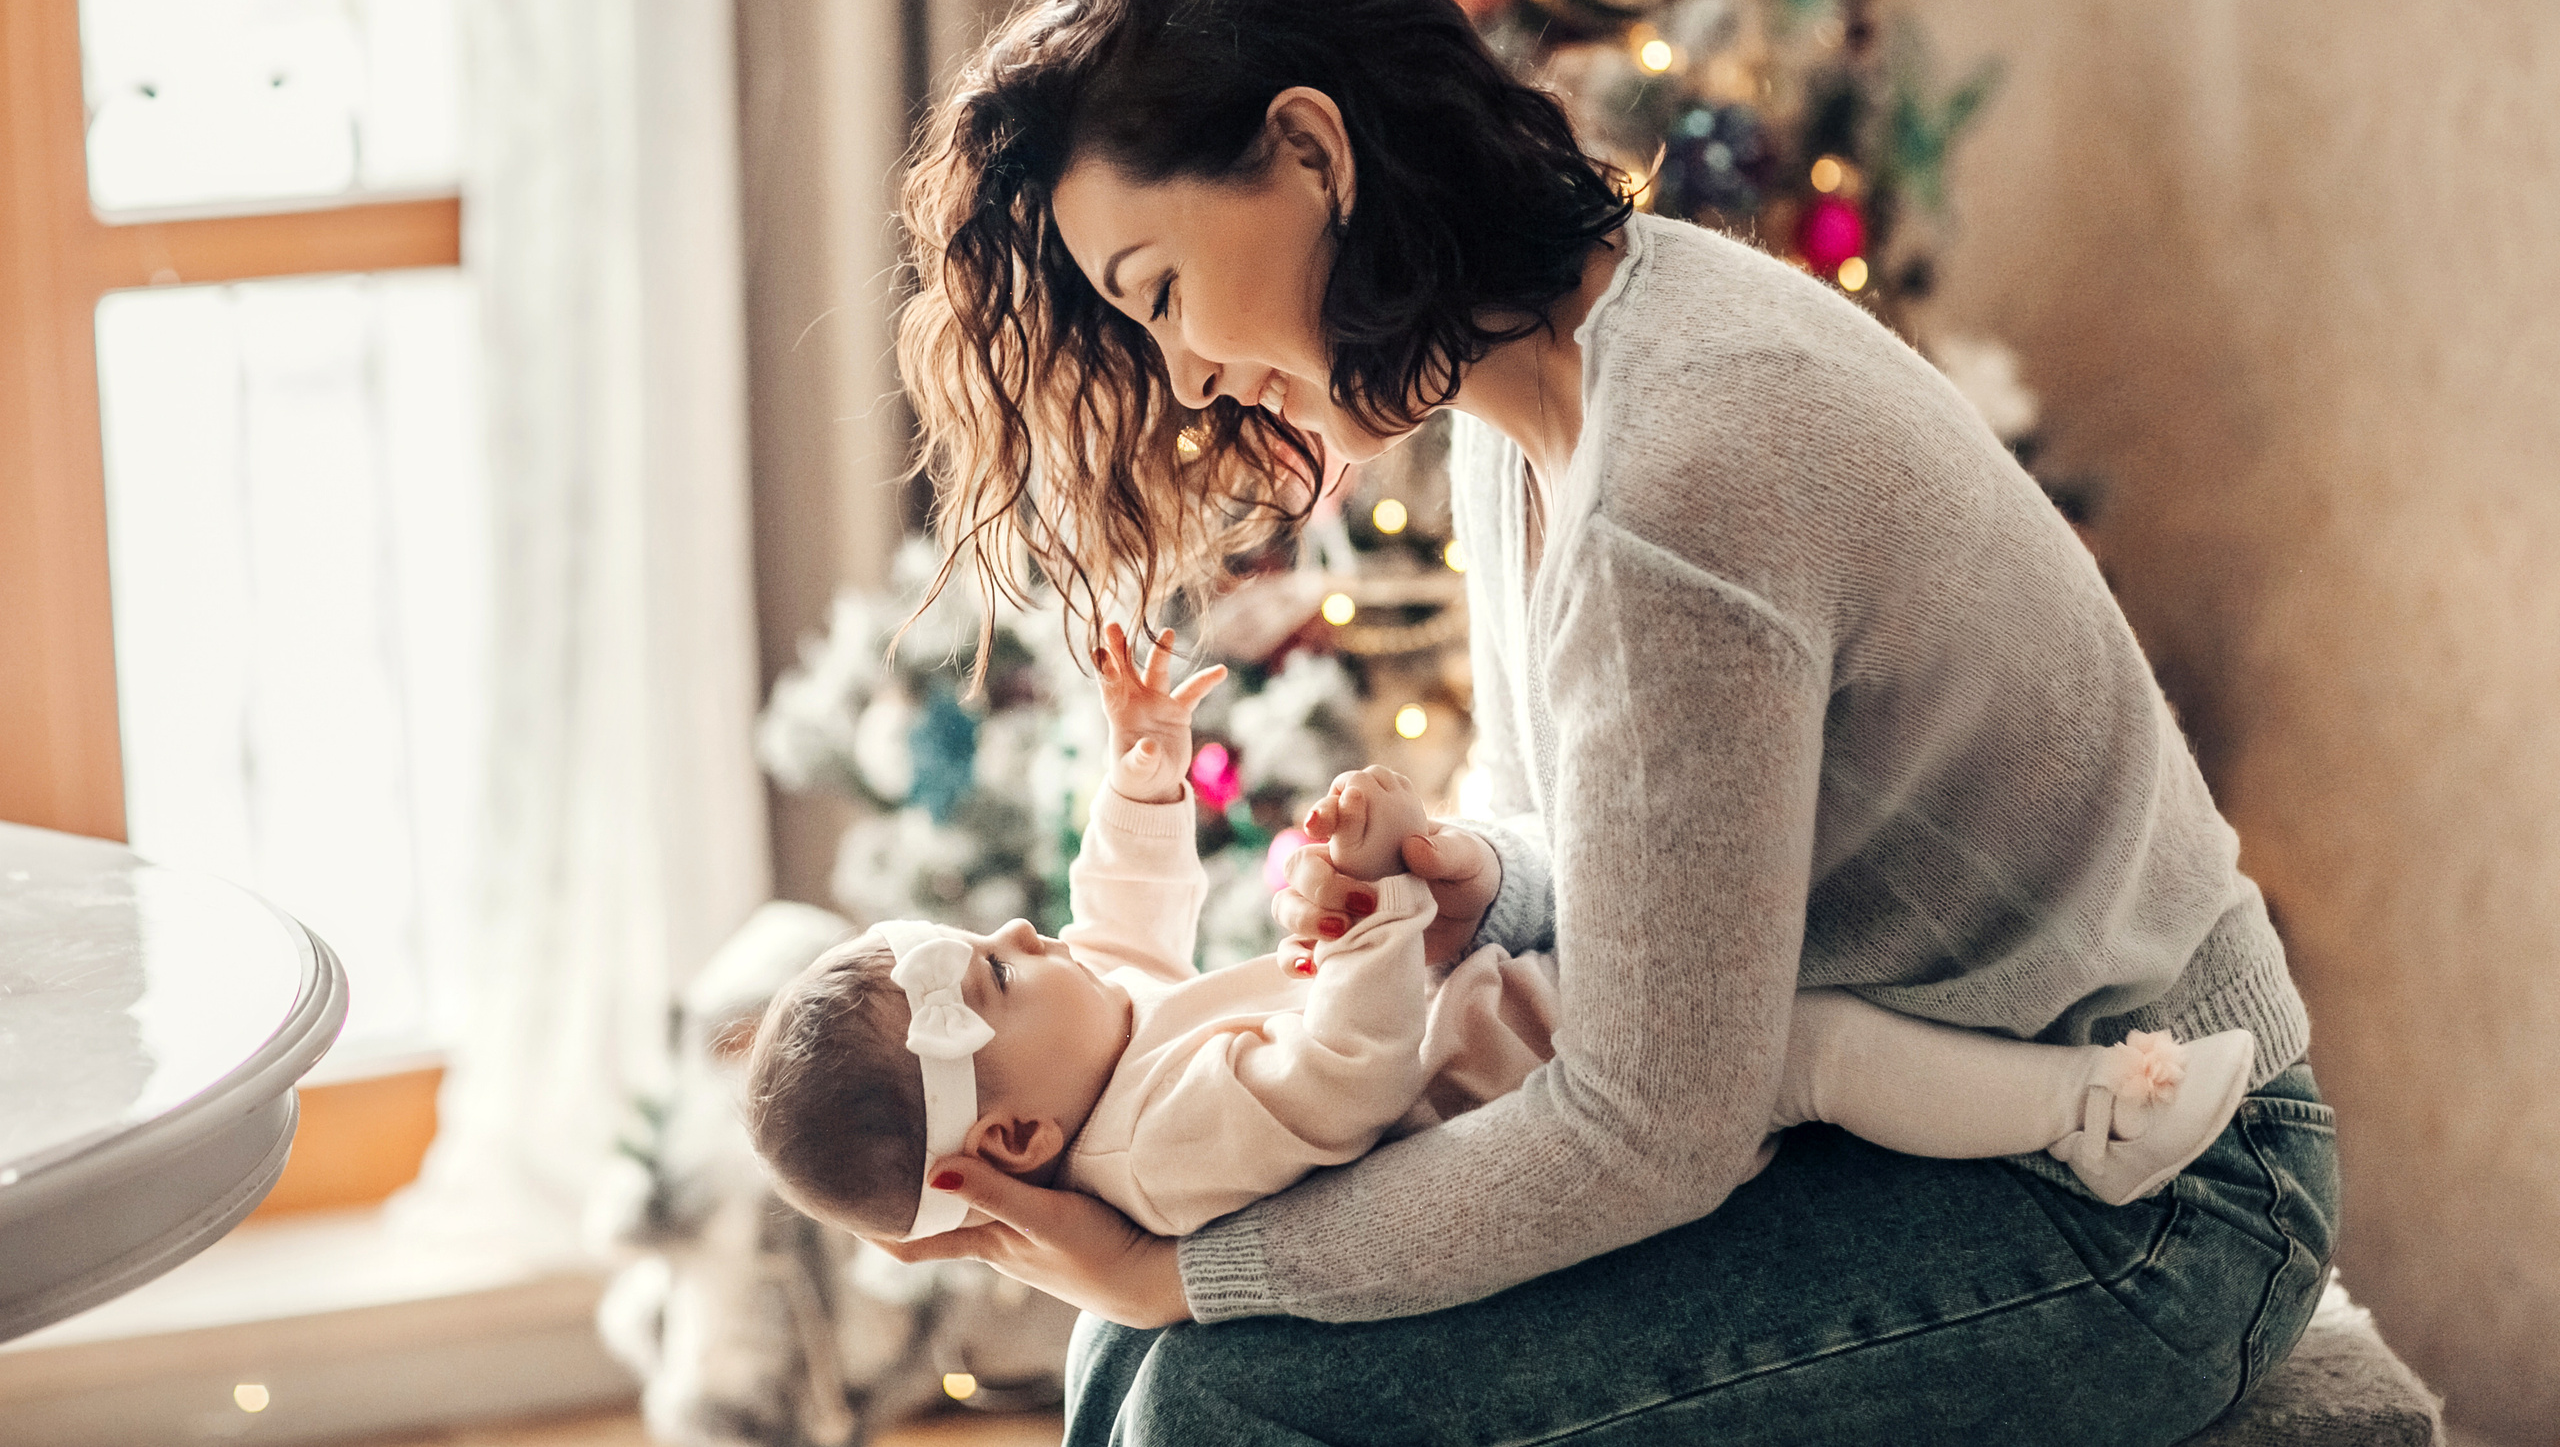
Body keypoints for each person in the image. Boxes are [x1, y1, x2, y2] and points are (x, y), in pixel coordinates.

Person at [876, 0, 2338, 1446]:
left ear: (1311, 152)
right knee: (1131, 1350)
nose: (1179, 377)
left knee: (1221, 1390)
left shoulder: (1676, 481)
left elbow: (1647, 1129)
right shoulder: (1537, 404)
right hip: (1917, 1127)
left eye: (1161, 290)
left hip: (2155, 1194)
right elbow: (1608, 852)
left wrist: (1194, 1264)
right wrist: (1474, 876)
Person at [748, 623, 2256, 1251]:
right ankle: (2090, 1116)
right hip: (1563, 1079)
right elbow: (1336, 1081)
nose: (1020, 928)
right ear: (1007, 1134)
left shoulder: (1094, 1026)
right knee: (1811, 1047)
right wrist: (1374, 923)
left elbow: (1118, 912)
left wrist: (1142, 772)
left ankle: (2033, 1028)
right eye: (994, 968)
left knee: (1795, 930)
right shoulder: (1150, 1147)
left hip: (1525, 999)